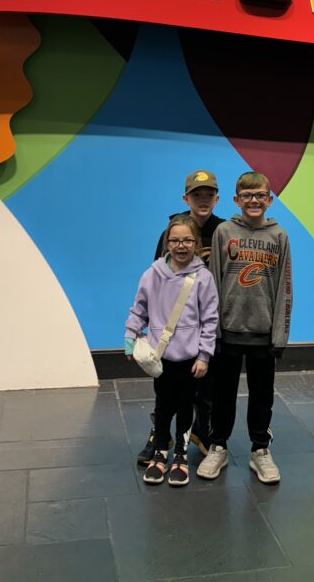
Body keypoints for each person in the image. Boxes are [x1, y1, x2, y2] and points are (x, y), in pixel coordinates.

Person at [197, 171, 292, 485]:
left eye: (260, 195)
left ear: (269, 199)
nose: (253, 200)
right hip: (229, 331)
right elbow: (212, 285)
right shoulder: (224, 231)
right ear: (237, 200)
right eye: (247, 195)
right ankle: (218, 445)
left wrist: (279, 335)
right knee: (222, 394)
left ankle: (260, 450)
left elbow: (284, 289)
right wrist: (212, 332)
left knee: (262, 395)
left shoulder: (279, 236)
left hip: (263, 333)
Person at [136, 170, 224, 465]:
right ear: (186, 198)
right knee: (167, 389)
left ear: (217, 198)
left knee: (206, 384)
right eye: (196, 195)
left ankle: (200, 430)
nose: (203, 200)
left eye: (208, 194)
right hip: (174, 329)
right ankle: (161, 435)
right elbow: (158, 275)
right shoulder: (170, 231)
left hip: (209, 322)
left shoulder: (224, 231)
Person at [125, 214, 219, 486]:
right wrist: (130, 336)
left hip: (190, 359)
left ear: (197, 244)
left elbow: (210, 319)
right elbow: (139, 308)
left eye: (187, 240)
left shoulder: (203, 278)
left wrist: (204, 355)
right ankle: (160, 452)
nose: (181, 246)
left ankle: (180, 453)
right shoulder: (152, 274)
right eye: (175, 240)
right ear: (166, 243)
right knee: (163, 405)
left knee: (186, 406)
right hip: (160, 357)